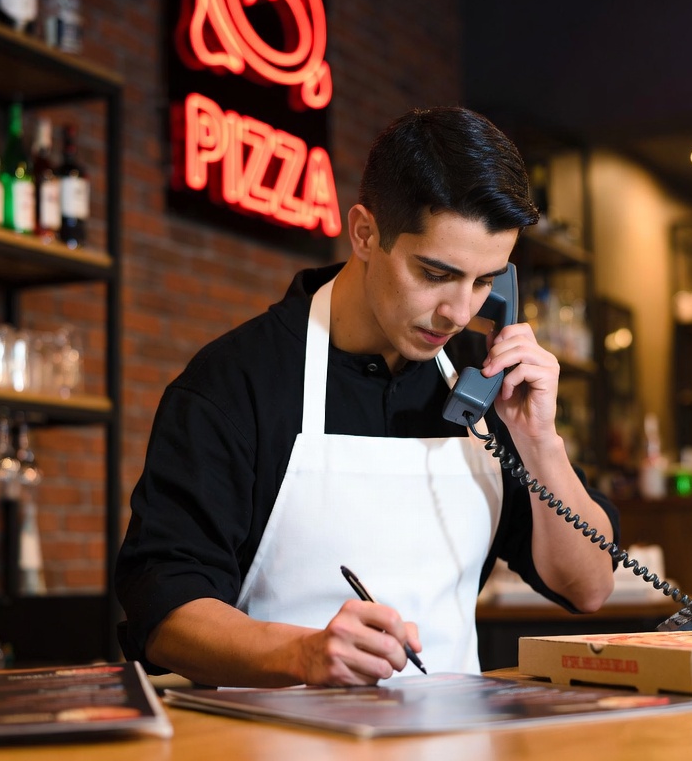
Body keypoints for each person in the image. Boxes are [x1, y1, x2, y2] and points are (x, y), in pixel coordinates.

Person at [115, 106, 620, 687]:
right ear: (364, 233)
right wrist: (303, 654)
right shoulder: (234, 382)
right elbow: (165, 614)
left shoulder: (486, 384)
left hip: (458, 742)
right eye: (435, 274)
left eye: (484, 282)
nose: (459, 314)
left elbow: (589, 587)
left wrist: (539, 442)